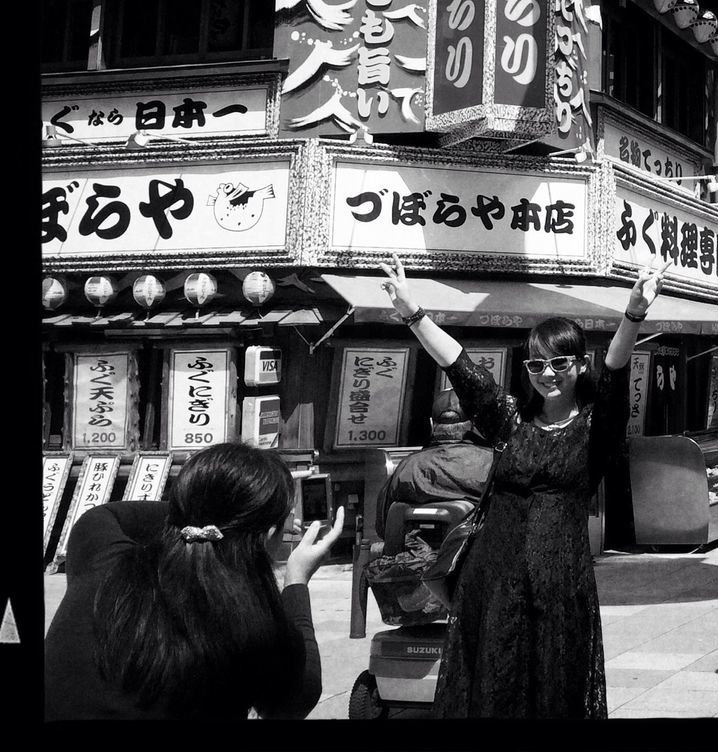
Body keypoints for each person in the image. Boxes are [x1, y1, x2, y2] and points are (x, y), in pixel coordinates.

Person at [379, 252, 670, 719]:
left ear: (579, 366)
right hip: (492, 580)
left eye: (559, 364)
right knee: (493, 684)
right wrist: (413, 314)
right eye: (536, 365)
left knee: (553, 688)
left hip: (560, 583)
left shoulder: (596, 428)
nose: (547, 374)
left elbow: (616, 373)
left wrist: (634, 312)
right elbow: (462, 369)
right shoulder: (511, 421)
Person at [44, 441, 344, 720]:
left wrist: (202, 517)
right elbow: (296, 699)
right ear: (268, 536)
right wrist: (297, 581)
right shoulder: (255, 623)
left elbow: (109, 513)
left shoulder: (103, 556)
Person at [375, 388, 495, 537]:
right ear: (475, 425)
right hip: (473, 558)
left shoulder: (406, 466)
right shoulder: (492, 464)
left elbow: (383, 527)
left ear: (432, 424)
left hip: (411, 558)